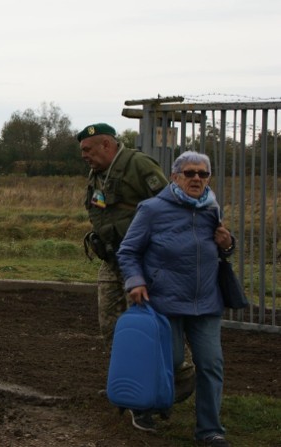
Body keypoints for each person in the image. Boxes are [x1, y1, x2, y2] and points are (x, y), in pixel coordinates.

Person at [78, 122, 196, 429]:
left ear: (107, 145)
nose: (85, 156)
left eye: (88, 150)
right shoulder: (97, 174)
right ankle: (128, 380)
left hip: (143, 262)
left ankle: (174, 382)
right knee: (111, 325)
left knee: (149, 328)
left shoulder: (138, 164)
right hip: (111, 259)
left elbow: (171, 204)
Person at [118, 152, 234, 446]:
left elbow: (217, 250)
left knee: (211, 364)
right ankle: (144, 405)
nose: (196, 178)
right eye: (190, 173)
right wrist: (136, 281)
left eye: (203, 174)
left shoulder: (211, 209)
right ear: (174, 176)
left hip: (206, 300)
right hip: (164, 300)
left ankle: (209, 429)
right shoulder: (152, 209)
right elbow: (128, 251)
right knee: (170, 359)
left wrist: (228, 245)